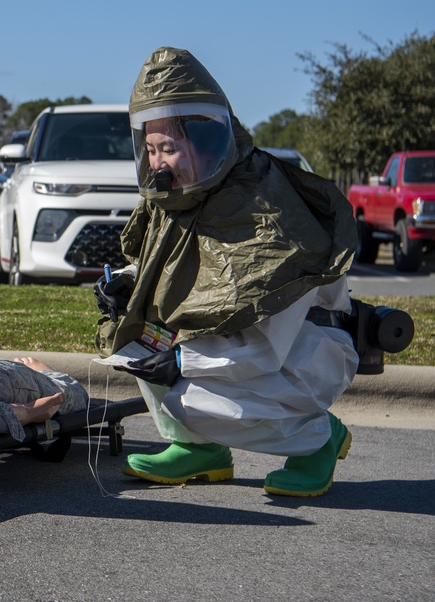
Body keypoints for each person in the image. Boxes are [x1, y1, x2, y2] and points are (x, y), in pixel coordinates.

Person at [95, 46, 359, 498]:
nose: (158, 163)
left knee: (186, 392)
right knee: (136, 335)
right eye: (152, 148)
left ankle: (318, 437)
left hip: (301, 350)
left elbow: (267, 340)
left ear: (207, 139)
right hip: (234, 345)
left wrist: (183, 360)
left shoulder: (268, 210)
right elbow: (179, 268)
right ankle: (198, 450)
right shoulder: (185, 199)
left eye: (170, 149)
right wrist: (127, 284)